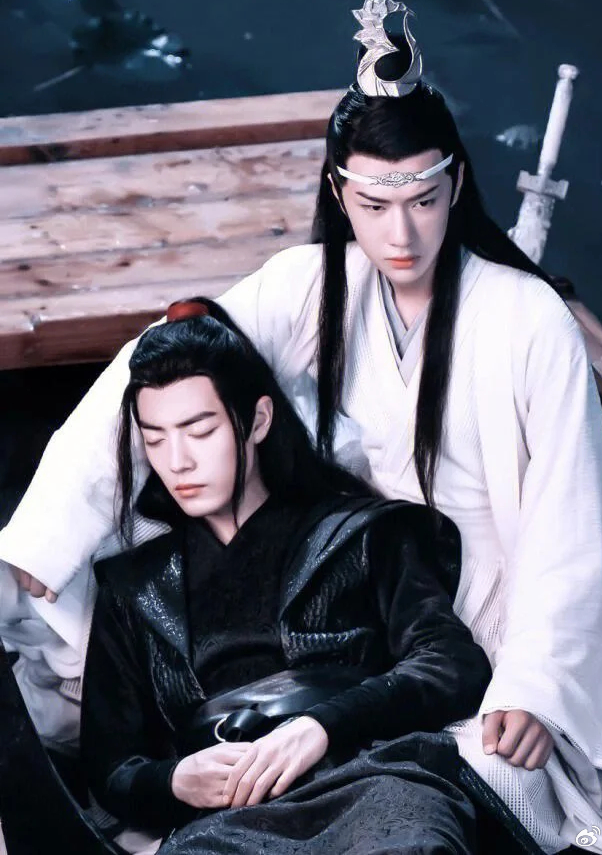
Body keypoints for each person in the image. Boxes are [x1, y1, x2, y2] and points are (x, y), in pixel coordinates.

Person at [0, 0, 602, 854]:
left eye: (423, 200)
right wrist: (48, 530)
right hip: (348, 590)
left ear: (455, 185)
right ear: (339, 192)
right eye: (373, 205)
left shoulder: (529, 318)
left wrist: (536, 679)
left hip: (487, 607)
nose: (400, 234)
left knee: (460, 786)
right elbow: (166, 361)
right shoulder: (310, 285)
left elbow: (570, 517)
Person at [80, 298, 496, 854]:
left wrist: (323, 725)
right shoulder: (133, 589)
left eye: (199, 431)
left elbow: (451, 663)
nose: (177, 461)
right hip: (227, 820)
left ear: (258, 420)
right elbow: (109, 766)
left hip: (372, 780)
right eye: (155, 439)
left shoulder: (360, 533)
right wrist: (175, 780)